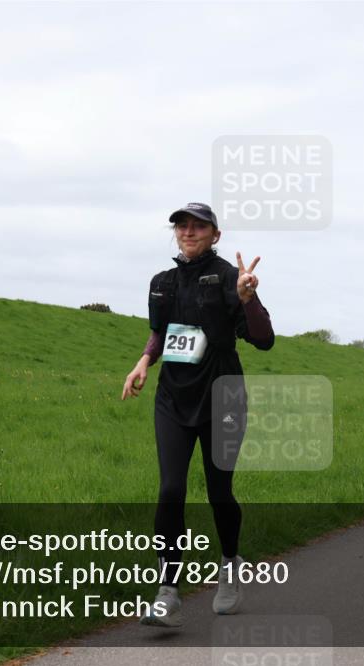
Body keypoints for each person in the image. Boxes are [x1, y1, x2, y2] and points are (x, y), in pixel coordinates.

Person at [122, 202, 274, 626]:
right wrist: (143, 362)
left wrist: (247, 298)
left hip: (223, 395)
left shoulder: (231, 277)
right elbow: (160, 332)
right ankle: (168, 591)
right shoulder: (162, 282)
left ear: (215, 235)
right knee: (170, 489)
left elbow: (263, 339)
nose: (189, 232)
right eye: (182, 226)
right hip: (173, 396)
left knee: (218, 490)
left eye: (198, 226)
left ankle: (229, 563)